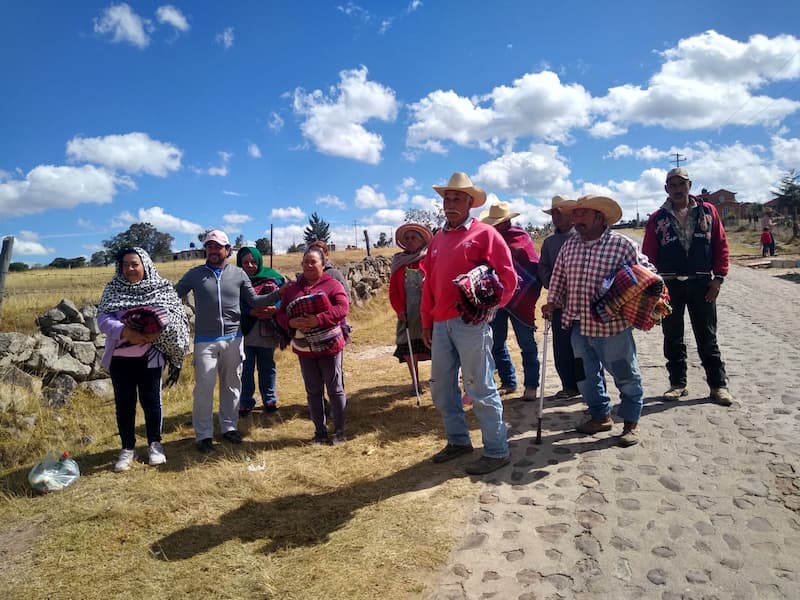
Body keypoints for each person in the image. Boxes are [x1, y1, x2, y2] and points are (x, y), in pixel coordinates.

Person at [421, 172, 517, 475]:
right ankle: (459, 441)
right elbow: (429, 284)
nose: (450, 203)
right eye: (447, 198)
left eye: (457, 198)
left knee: (480, 386)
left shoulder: (485, 235)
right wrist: (427, 320)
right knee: (442, 389)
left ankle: (497, 449)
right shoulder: (437, 238)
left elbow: (508, 277)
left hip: (470, 324)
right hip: (441, 324)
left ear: (470, 203)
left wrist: (489, 311)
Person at [542, 195, 653, 447]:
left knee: (625, 374)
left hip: (611, 326)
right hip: (578, 325)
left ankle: (630, 423)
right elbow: (558, 278)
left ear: (599, 217)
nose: (576, 219)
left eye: (583, 214)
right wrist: (553, 301)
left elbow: (647, 273)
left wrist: (630, 292)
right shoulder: (570, 246)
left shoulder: (621, 245)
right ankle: (600, 415)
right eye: (575, 214)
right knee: (585, 376)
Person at [175, 230, 280, 453]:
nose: (213, 250)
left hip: (234, 338)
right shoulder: (195, 274)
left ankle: (229, 427)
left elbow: (254, 300)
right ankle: (203, 435)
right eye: (209, 246)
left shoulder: (239, 274)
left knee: (232, 386)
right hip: (205, 341)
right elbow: (174, 296)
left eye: (218, 246)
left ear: (227, 250)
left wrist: (281, 293)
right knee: (203, 388)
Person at [642, 167, 734, 406]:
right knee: (672, 336)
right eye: (672, 185)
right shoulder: (656, 218)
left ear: (689, 185)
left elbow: (721, 246)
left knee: (707, 336)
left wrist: (719, 278)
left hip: (703, 283)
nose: (677, 189)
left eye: (681, 184)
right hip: (669, 285)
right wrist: (652, 288)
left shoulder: (709, 211)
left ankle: (718, 386)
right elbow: (647, 256)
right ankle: (677, 383)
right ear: (666, 189)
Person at [98, 247, 190, 471]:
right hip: (120, 358)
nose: (130, 268)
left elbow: (175, 316)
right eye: (125, 264)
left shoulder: (162, 288)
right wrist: (125, 332)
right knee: (124, 403)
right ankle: (127, 448)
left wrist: (155, 332)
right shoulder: (113, 289)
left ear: (145, 265)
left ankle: (155, 444)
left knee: (152, 401)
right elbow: (102, 317)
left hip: (151, 356)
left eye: (134, 264)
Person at [276, 246, 350, 444]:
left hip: (330, 346)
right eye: (305, 262)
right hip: (304, 348)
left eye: (313, 262)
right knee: (313, 390)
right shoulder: (293, 289)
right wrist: (291, 323)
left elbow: (343, 308)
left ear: (323, 264)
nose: (308, 265)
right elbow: (281, 314)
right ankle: (320, 432)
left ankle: (340, 431)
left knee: (335, 389)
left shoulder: (332, 284)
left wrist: (319, 319)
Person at [479, 201, 541, 400]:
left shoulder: (520, 237)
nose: (496, 227)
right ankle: (508, 381)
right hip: (496, 300)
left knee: (527, 343)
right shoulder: (487, 241)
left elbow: (532, 268)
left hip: (521, 301)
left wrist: (524, 291)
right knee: (496, 343)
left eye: (499, 223)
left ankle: (531, 385)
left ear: (507, 222)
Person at [538, 196, 580, 399]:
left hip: (582, 301)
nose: (555, 217)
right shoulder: (549, 242)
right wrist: (552, 282)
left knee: (583, 345)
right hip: (558, 301)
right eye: (553, 213)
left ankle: (588, 384)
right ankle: (569, 385)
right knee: (561, 345)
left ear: (571, 216)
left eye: (559, 213)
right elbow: (543, 266)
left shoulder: (581, 237)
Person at [235, 246, 285, 415]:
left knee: (267, 367)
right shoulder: (235, 281)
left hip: (266, 331)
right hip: (244, 332)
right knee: (245, 369)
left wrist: (273, 309)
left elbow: (282, 297)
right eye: (245, 262)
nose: (250, 266)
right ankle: (246, 401)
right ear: (239, 264)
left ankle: (269, 399)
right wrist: (248, 311)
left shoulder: (273, 278)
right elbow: (231, 303)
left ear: (259, 262)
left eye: (253, 262)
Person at [389, 223, 433, 388]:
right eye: (406, 238)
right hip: (408, 313)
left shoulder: (429, 259)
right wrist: (399, 310)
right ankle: (415, 382)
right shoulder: (399, 262)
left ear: (422, 240)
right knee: (408, 347)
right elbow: (393, 291)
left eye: (413, 238)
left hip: (429, 312)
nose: (409, 241)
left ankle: (437, 378)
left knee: (436, 347)